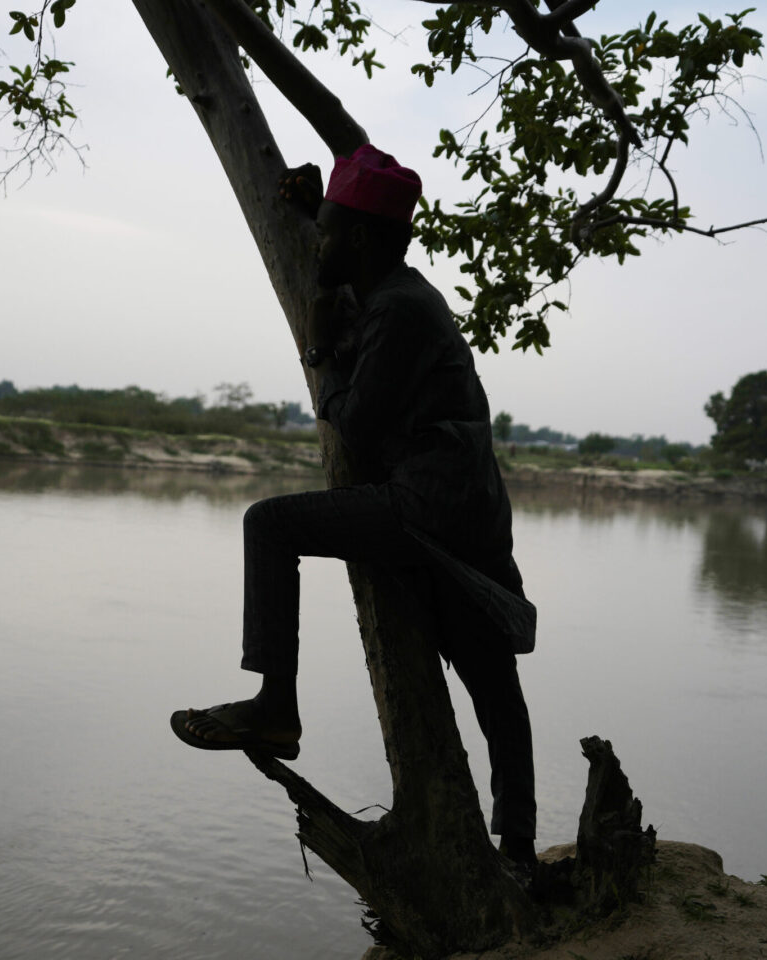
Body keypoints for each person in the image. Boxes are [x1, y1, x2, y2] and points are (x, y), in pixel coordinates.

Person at [170, 144, 537, 866]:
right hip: (469, 512)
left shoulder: (399, 311)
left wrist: (318, 352)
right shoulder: (399, 292)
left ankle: (276, 708)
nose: (322, 244)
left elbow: (358, 421)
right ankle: (519, 850)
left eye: (332, 230)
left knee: (268, 524)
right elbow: (350, 265)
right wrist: (315, 213)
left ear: (363, 239)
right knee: (494, 685)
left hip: (424, 507)